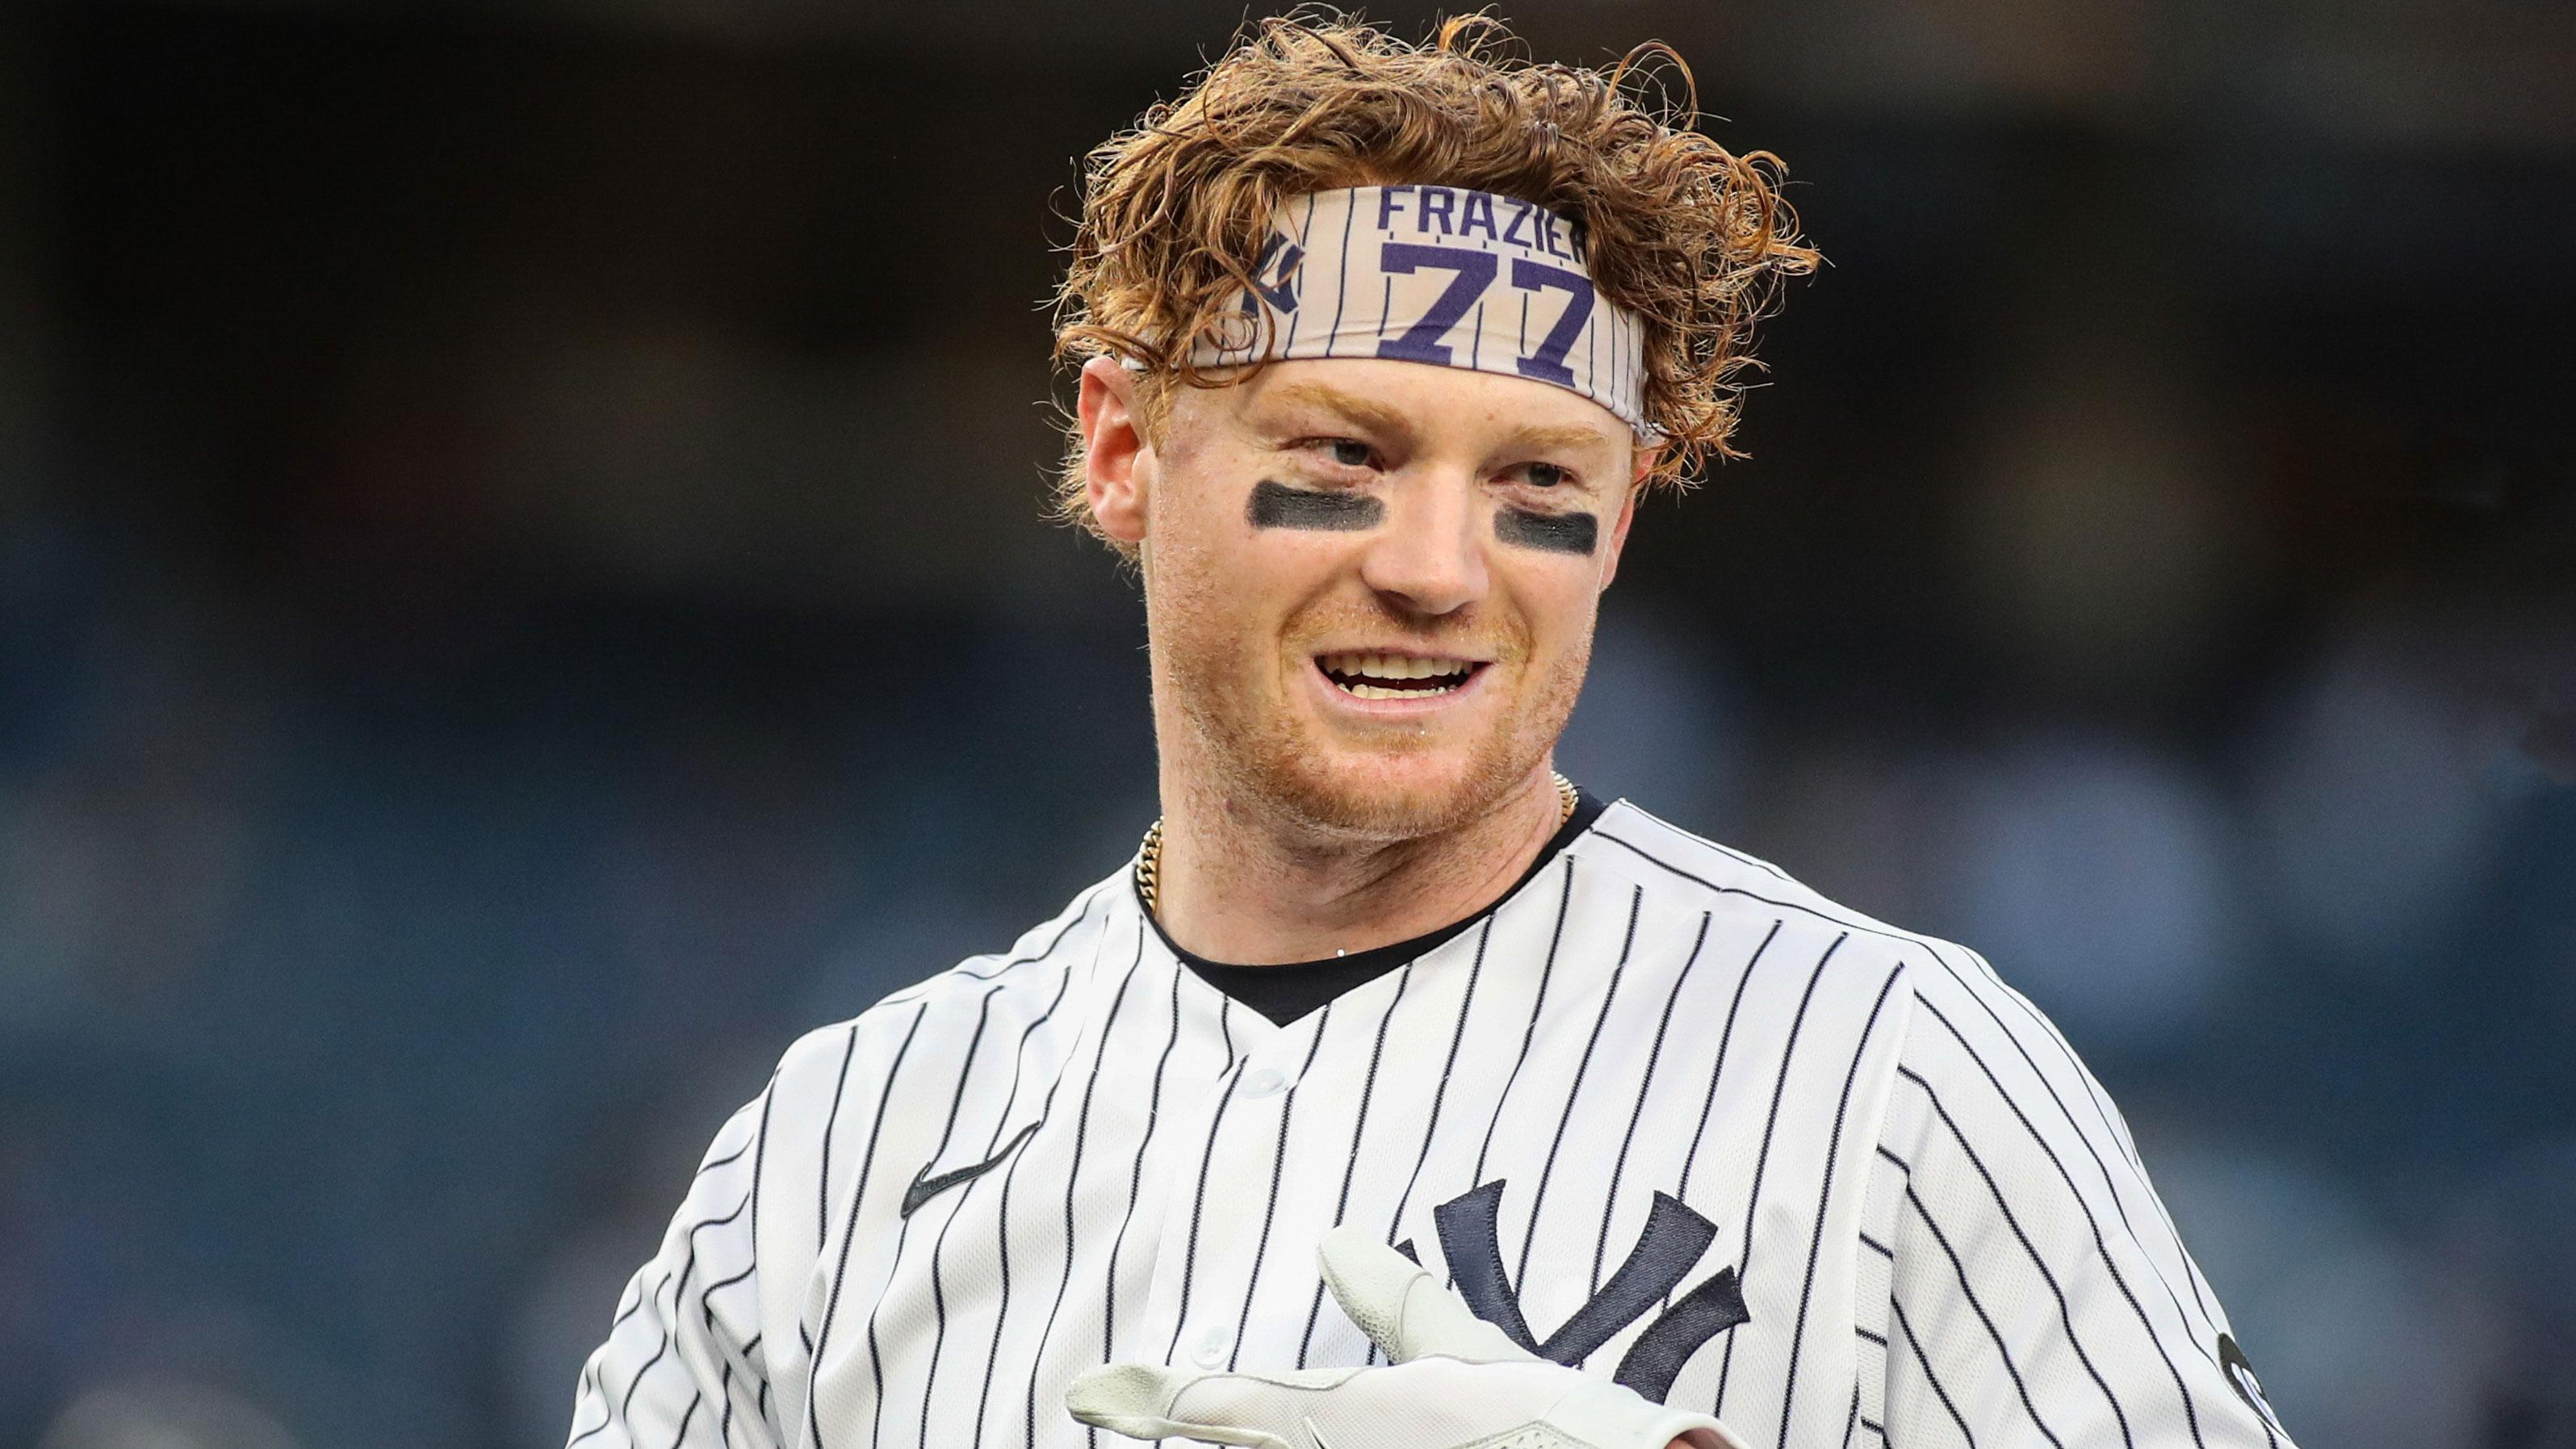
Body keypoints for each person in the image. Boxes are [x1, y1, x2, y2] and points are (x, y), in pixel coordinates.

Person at [567, 15, 2294, 1449]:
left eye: (1538, 479)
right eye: (1344, 456)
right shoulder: (836, 1149)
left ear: (1619, 525)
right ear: (1120, 449)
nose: (1433, 570)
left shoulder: (1892, 1070)